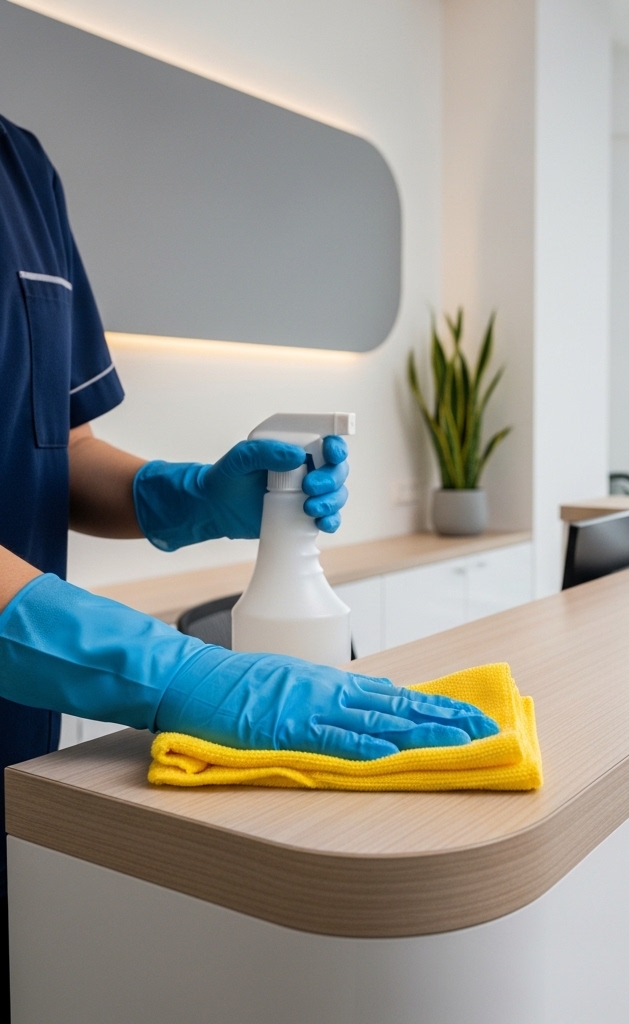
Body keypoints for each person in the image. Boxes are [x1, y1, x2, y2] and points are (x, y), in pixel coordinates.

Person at [0, 112, 497, 1017]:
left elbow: (55, 444)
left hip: (23, 746)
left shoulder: (22, 166)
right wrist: (172, 669)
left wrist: (184, 496)